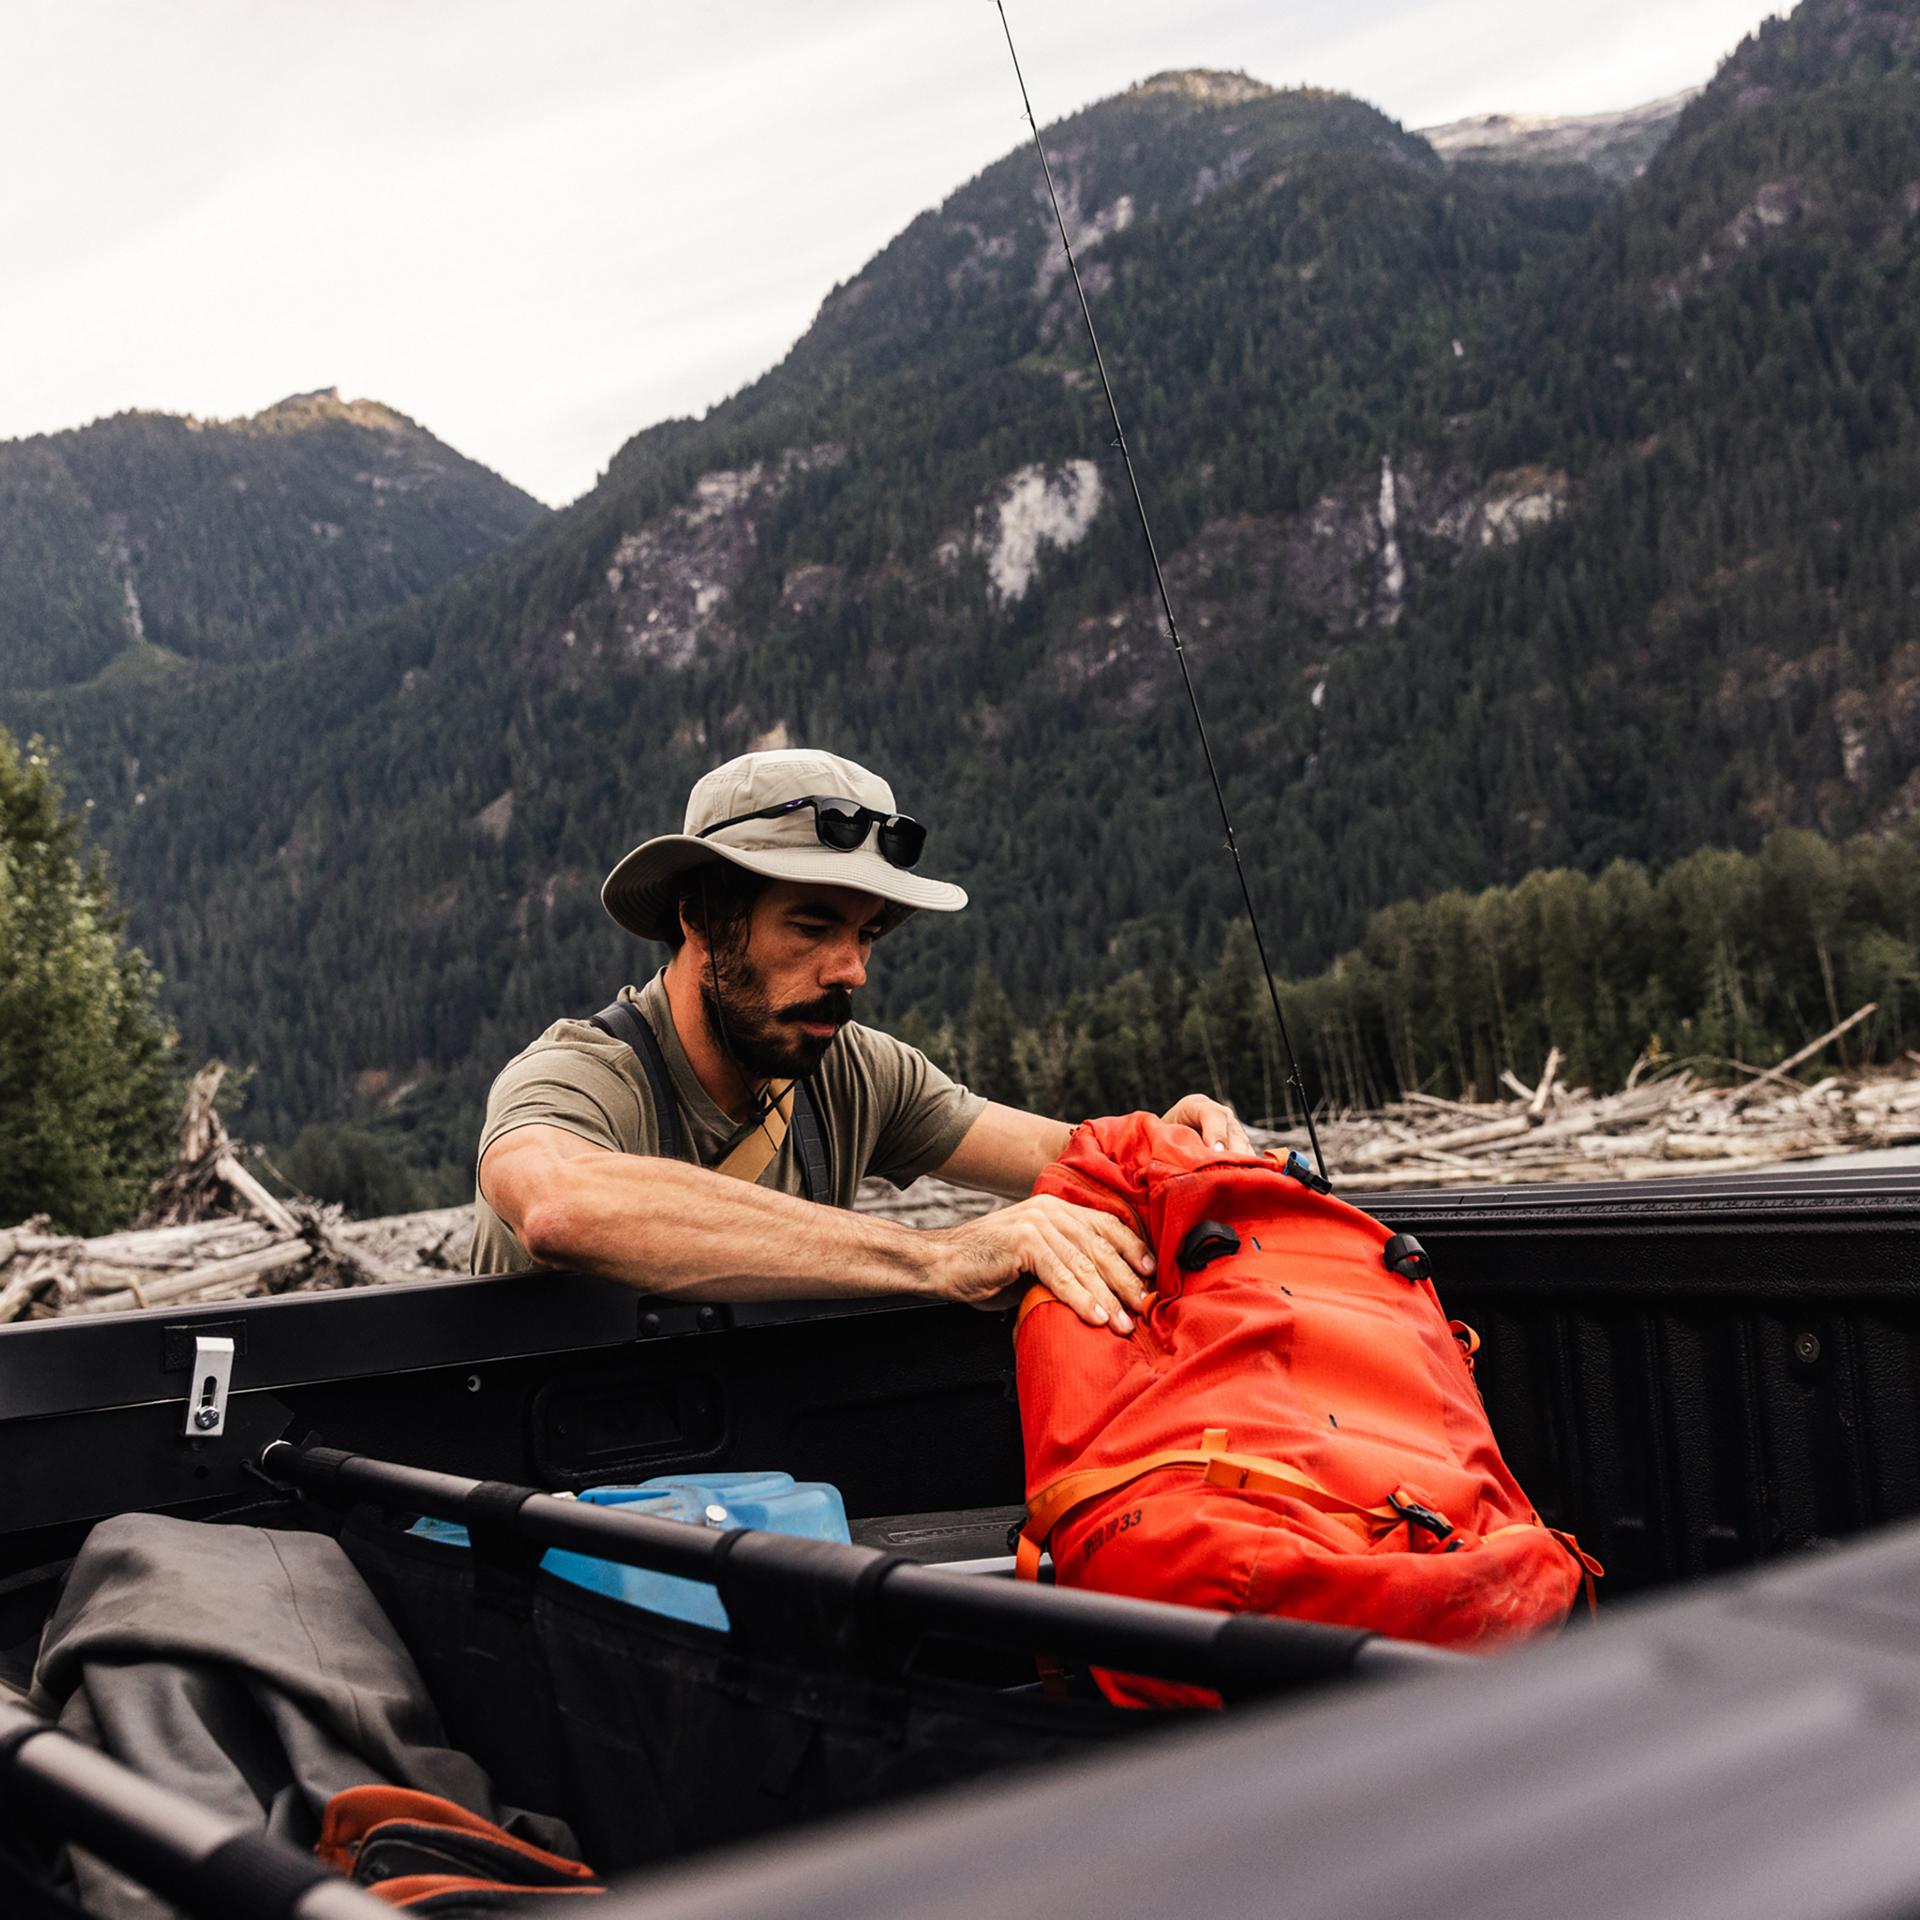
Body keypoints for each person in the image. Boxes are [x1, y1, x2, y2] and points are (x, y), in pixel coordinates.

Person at [472, 747, 1252, 1334]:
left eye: (867, 934)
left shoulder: (852, 1069)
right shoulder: (583, 1072)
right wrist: (938, 1257)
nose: (851, 970)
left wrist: (1167, 1146)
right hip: (544, 1507)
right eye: (812, 927)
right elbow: (558, 1203)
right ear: (701, 916)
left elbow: (1068, 1156)